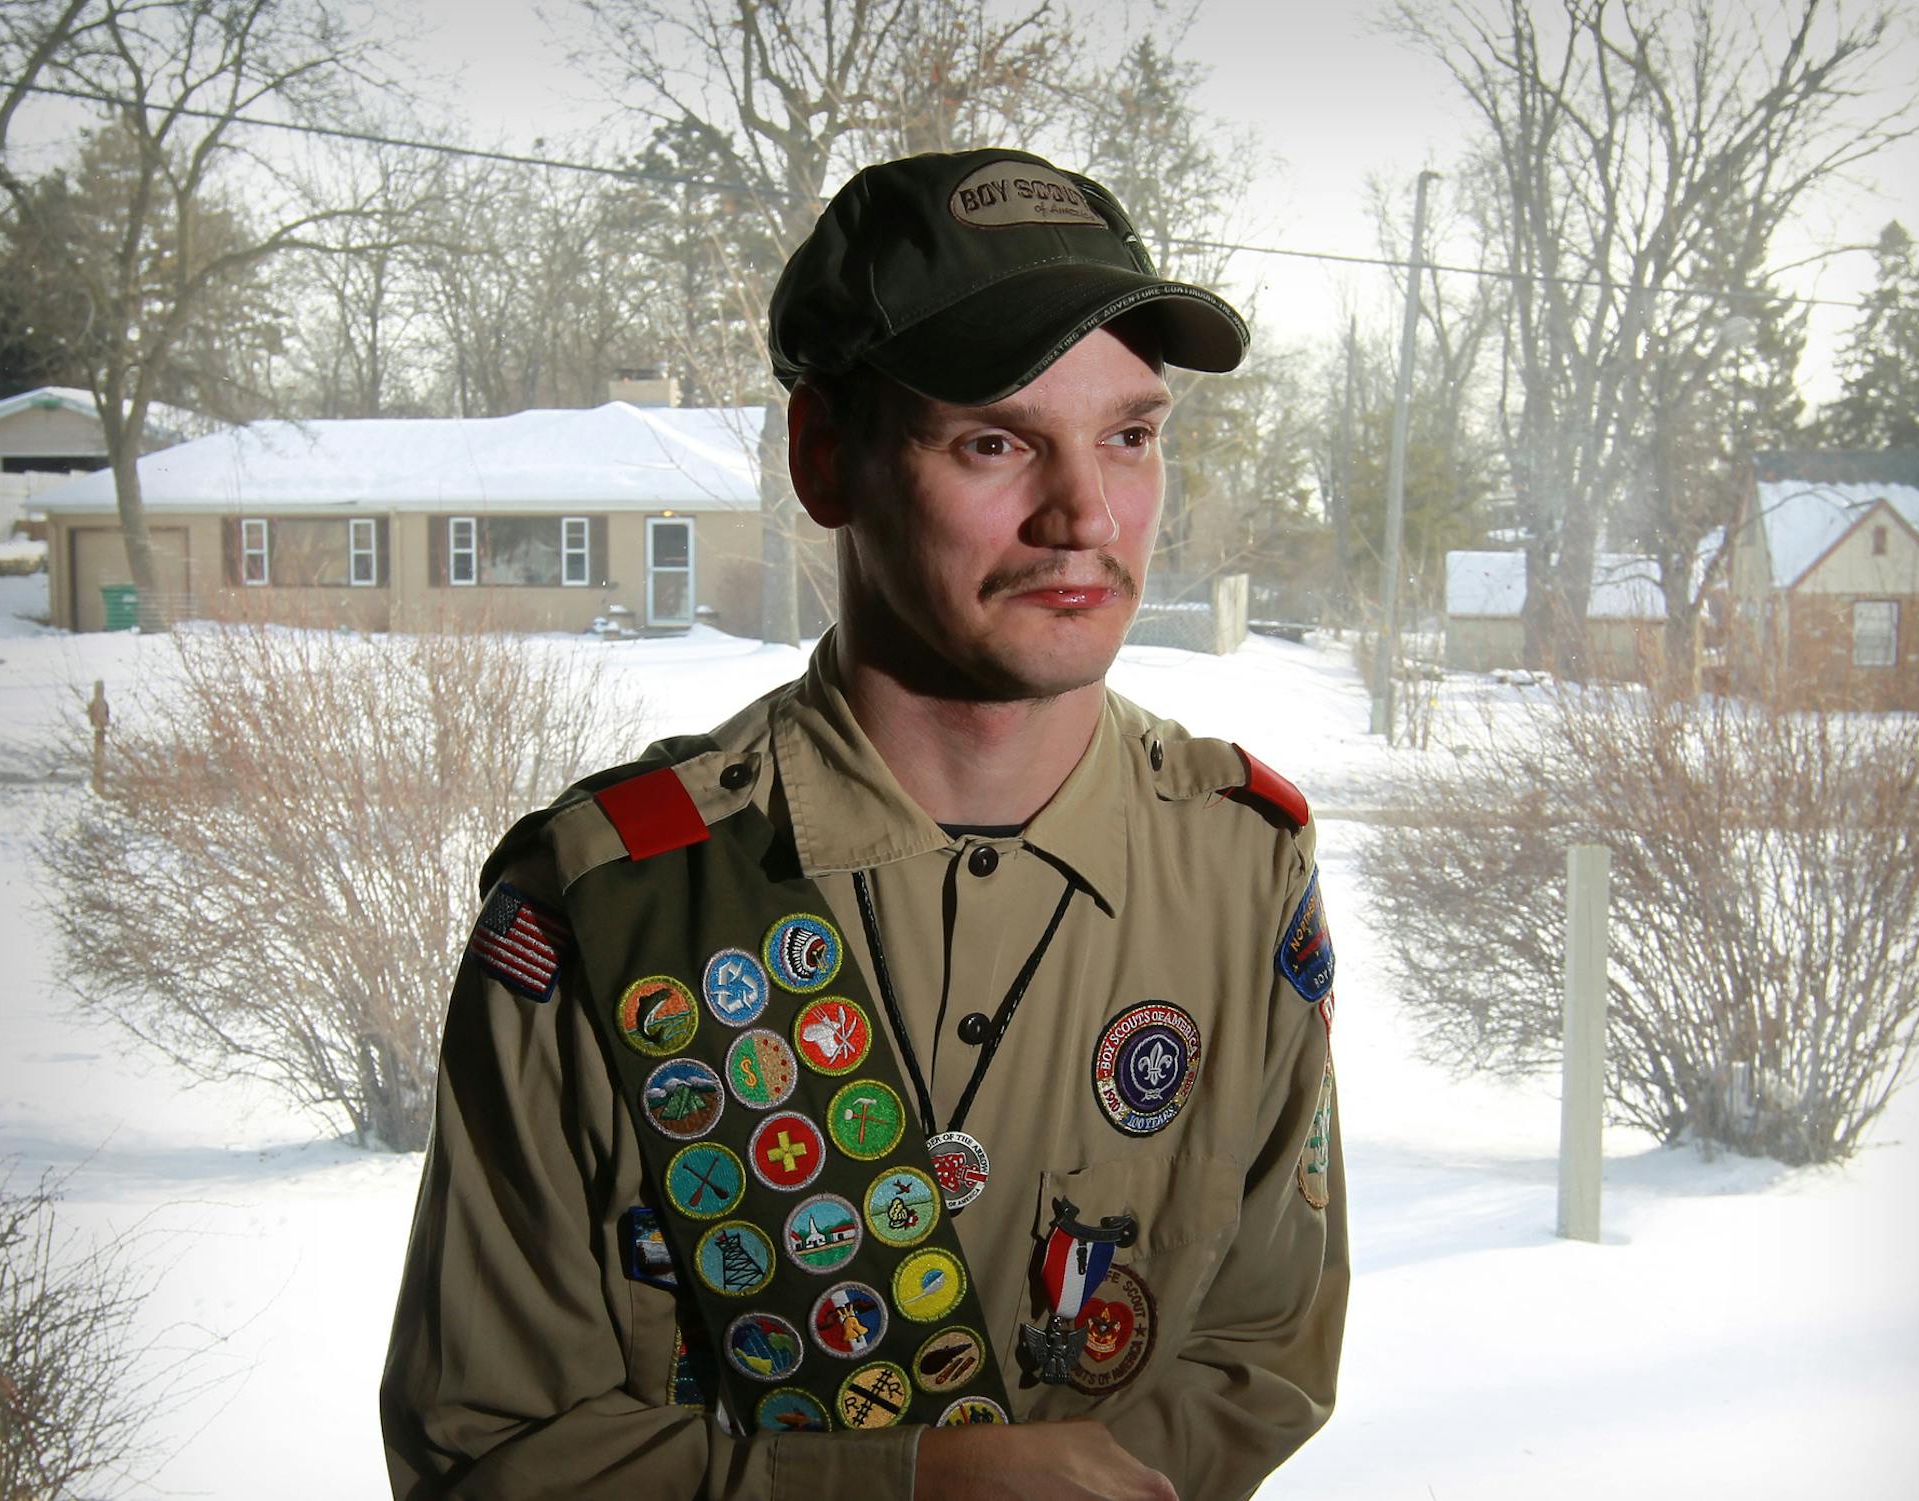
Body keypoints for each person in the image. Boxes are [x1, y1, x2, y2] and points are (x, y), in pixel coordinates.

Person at [381, 146, 1346, 1501]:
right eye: (997, 441)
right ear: (826, 456)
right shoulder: (614, 908)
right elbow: (483, 1454)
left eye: (1130, 435)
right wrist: (907, 1486)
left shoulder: (1239, 869)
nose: (1086, 513)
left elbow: (1265, 1352)